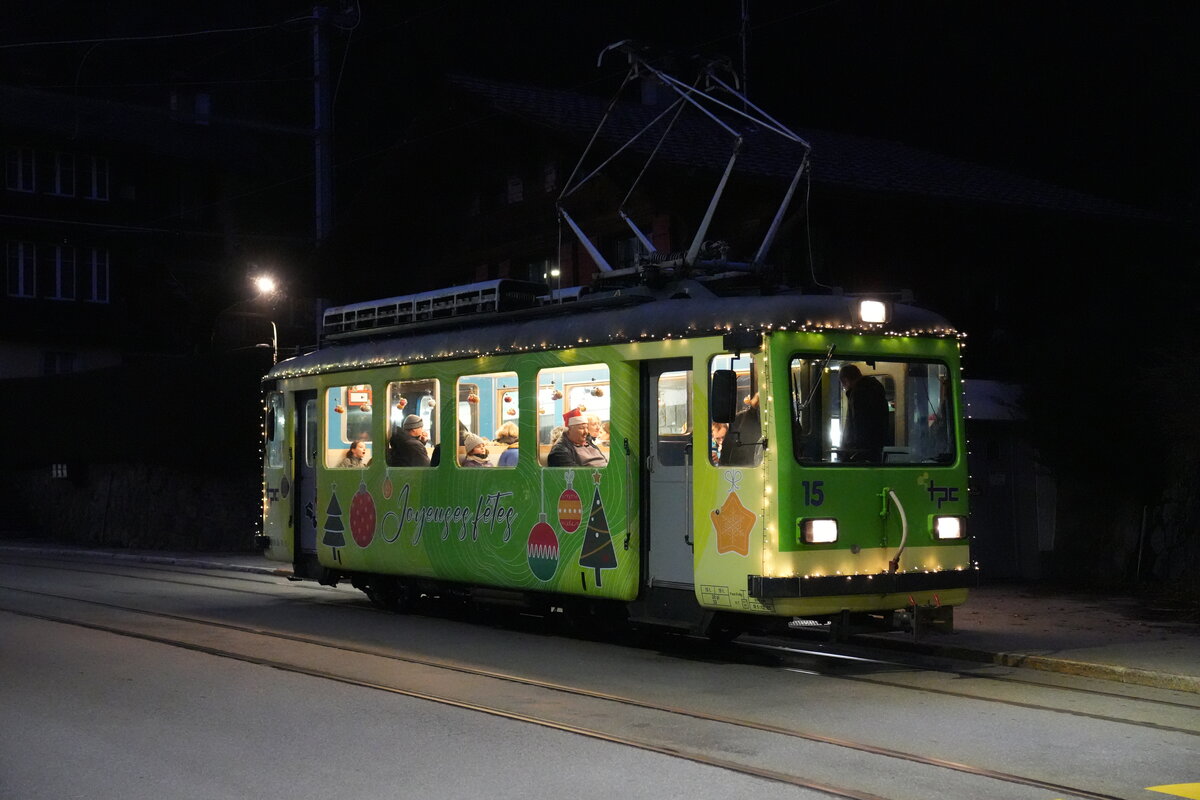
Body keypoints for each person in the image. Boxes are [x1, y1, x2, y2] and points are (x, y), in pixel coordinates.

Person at [839, 364, 889, 462]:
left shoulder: (858, 393)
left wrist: (850, 450)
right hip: (876, 450)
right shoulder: (877, 389)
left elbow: (858, 424)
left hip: (859, 454)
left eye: (844, 385)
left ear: (846, 380)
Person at [720, 393, 761, 467]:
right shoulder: (740, 419)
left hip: (740, 468)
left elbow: (726, 449)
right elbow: (727, 448)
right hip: (743, 467)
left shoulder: (740, 418)